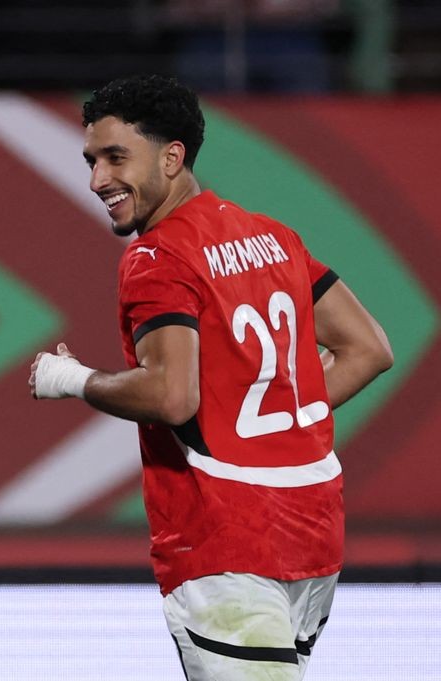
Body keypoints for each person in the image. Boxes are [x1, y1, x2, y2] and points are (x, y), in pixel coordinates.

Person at [28, 75, 392, 680]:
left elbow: (171, 397)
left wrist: (73, 378)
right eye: (92, 161)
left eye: (116, 157)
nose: (97, 180)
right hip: (314, 537)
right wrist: (270, 420)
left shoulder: (157, 257)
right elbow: (368, 349)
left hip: (225, 543)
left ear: (172, 157)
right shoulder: (274, 237)